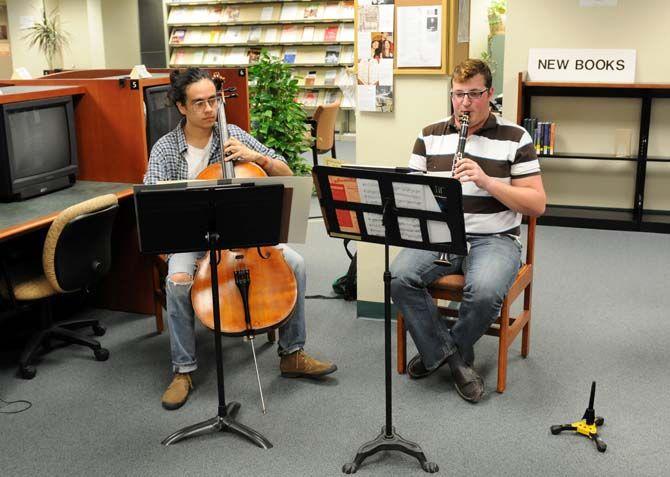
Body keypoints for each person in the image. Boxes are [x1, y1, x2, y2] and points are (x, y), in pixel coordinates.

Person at [144, 68, 337, 410]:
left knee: (296, 263)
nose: (209, 109)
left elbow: (286, 171)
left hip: (245, 237)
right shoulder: (165, 149)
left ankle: (292, 353)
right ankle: (183, 369)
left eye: (213, 100)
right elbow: (154, 202)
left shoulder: (232, 134)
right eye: (199, 102)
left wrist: (257, 158)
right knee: (177, 281)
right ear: (181, 107)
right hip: (192, 239)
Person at [390, 59, 545, 403]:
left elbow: (536, 204)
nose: (465, 103)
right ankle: (457, 361)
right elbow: (410, 193)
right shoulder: (429, 135)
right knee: (398, 277)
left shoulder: (515, 137)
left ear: (489, 94)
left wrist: (487, 181)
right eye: (459, 94)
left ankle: (441, 353)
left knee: (487, 291)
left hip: (494, 238)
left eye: (474, 94)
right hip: (439, 235)